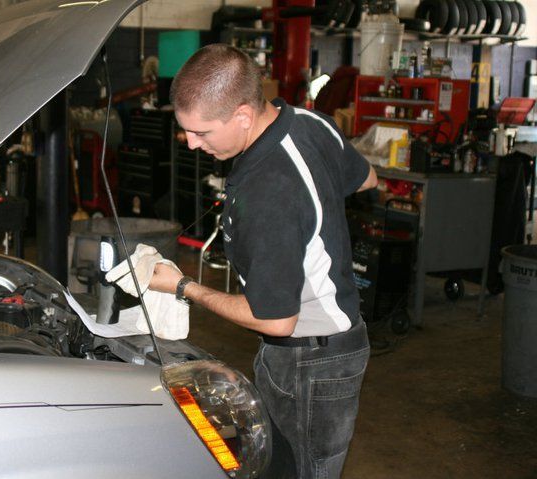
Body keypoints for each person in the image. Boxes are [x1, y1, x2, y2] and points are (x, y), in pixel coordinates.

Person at [148, 44, 378, 478]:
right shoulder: (312, 122)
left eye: (202, 133)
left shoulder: (268, 192)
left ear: (242, 116)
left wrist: (183, 286)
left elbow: (275, 321)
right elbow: (366, 179)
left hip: (311, 364)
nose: (192, 145)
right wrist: (314, 214)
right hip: (326, 347)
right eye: (186, 132)